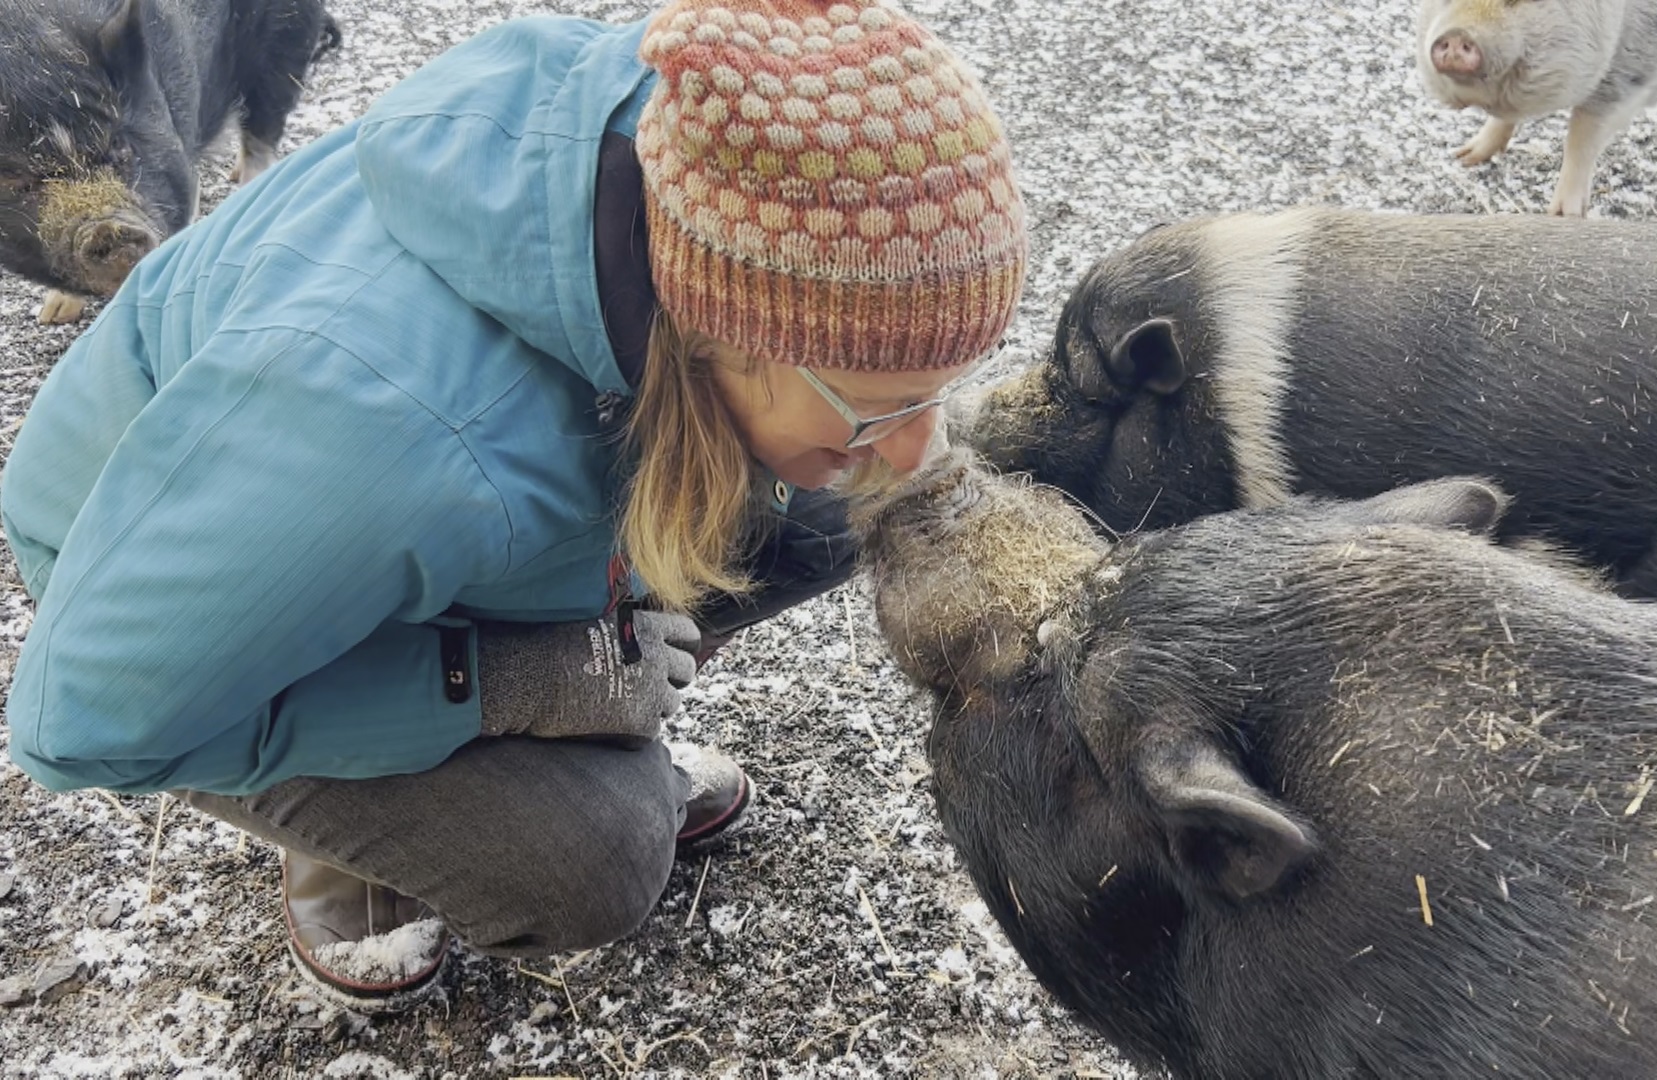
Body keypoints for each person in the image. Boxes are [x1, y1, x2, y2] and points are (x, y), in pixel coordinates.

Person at [0, 0, 1026, 1013]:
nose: (918, 442)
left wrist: (573, 673)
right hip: (174, 563)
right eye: (882, 403)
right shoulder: (388, 434)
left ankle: (512, 726)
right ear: (731, 325)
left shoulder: (691, 158)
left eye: (935, 388)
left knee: (833, 504)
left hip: (389, 506)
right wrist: (497, 684)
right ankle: (350, 844)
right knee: (594, 858)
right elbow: (76, 723)